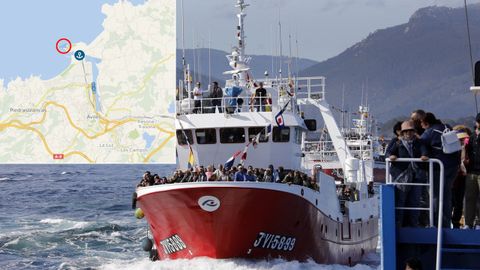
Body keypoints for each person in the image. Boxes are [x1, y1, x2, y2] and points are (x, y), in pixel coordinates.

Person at [420, 112, 461, 228]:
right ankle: (446, 224)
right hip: (453, 167)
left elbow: (420, 143)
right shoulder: (447, 127)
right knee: (447, 196)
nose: (422, 127)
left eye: (422, 125)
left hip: (439, 168)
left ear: (426, 123)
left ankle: (436, 223)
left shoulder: (430, 132)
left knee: (435, 196)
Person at [389, 120, 429, 227]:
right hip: (402, 177)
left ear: (414, 131)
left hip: (416, 176)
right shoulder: (397, 143)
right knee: (400, 201)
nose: (408, 133)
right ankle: (399, 224)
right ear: (402, 133)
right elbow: (388, 153)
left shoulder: (419, 142)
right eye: (406, 131)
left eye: (410, 131)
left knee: (415, 201)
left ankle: (413, 224)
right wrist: (391, 157)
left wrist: (424, 156)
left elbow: (424, 151)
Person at [451, 125, 471, 228]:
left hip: (461, 179)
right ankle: (451, 222)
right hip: (452, 179)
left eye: (464, 138)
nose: (462, 140)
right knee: (451, 203)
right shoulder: (450, 148)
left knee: (459, 203)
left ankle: (455, 223)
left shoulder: (468, 148)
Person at [464, 114, 480, 229]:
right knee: (469, 198)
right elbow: (466, 152)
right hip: (471, 171)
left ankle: (479, 222)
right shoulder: (472, 137)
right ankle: (468, 223)